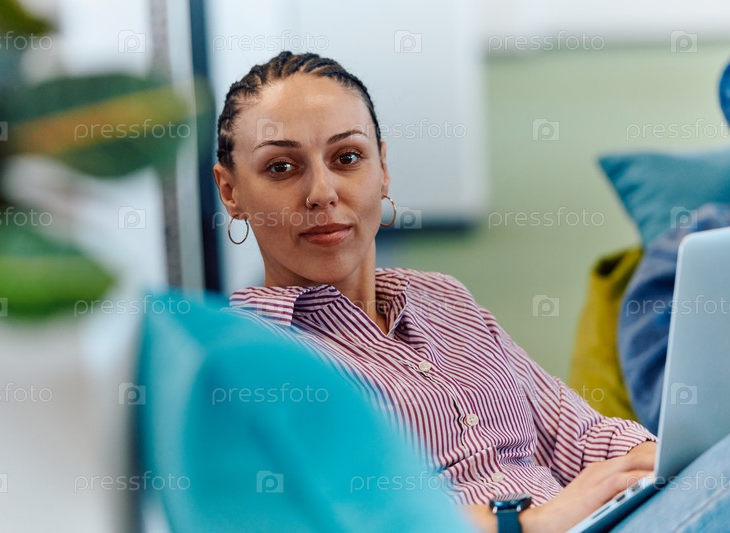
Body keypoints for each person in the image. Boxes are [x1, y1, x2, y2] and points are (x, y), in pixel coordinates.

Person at [212, 51, 729, 532]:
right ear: (230, 191)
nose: (323, 192)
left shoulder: (443, 298)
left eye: (347, 157)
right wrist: (525, 523)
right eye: (282, 167)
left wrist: (664, 456)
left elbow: (578, 434)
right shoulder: (247, 358)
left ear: (383, 170)